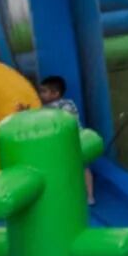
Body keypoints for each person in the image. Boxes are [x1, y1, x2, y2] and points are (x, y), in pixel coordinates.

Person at [37, 76, 93, 204]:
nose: (41, 94)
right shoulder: (42, 108)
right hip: (59, 144)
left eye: (44, 91)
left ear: (56, 93)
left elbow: (65, 120)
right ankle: (67, 194)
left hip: (75, 141)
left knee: (83, 167)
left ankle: (90, 195)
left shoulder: (66, 104)